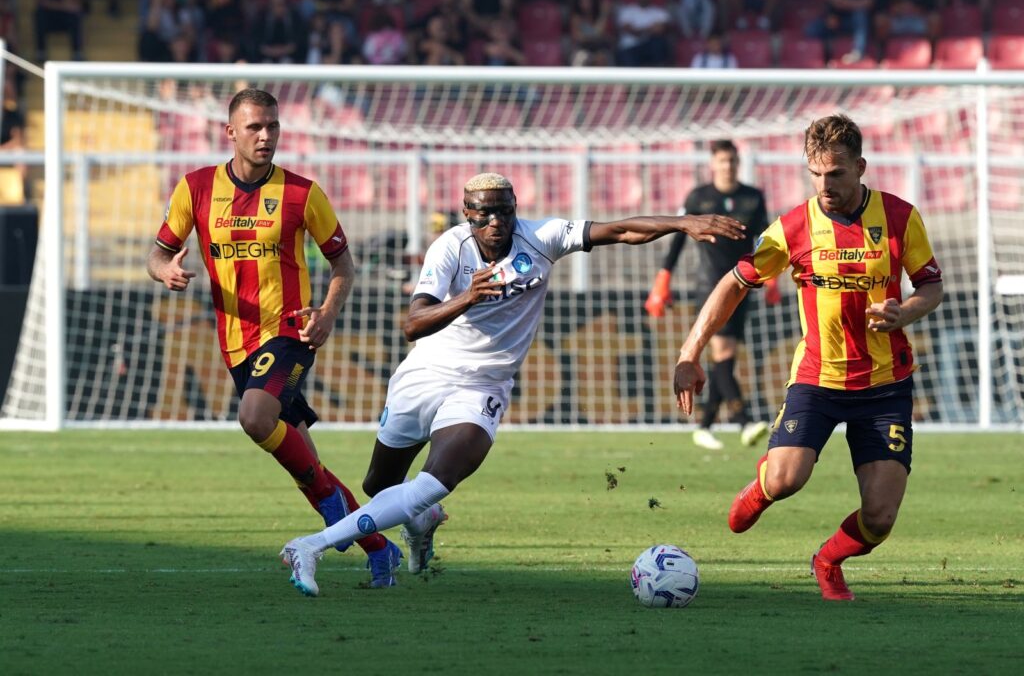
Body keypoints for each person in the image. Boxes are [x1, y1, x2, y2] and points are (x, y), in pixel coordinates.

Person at [279, 172, 746, 597]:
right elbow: (413, 323)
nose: (495, 221)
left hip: (484, 384)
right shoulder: (450, 249)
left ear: (515, 208)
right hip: (423, 376)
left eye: (504, 210)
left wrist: (683, 222)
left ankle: (311, 546)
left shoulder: (541, 237)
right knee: (381, 484)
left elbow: (620, 230)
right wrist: (469, 295)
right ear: (468, 214)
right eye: (484, 213)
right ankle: (421, 526)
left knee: (437, 479)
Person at [673, 115, 944, 601]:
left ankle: (828, 559)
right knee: (785, 481)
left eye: (836, 174)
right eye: (815, 174)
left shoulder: (901, 217)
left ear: (860, 167)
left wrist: (905, 312)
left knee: (880, 519)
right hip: (818, 380)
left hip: (885, 386)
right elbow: (734, 284)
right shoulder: (792, 228)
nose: (825, 185)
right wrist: (690, 352)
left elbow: (931, 285)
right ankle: (763, 487)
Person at [147, 88, 402, 588]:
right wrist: (166, 272)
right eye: (255, 128)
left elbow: (343, 266)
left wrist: (326, 314)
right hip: (236, 345)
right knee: (307, 465)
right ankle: (381, 549)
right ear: (231, 133)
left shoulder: (303, 193)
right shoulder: (195, 188)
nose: (266, 137)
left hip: (290, 332)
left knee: (254, 415)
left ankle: (333, 509)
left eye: (273, 127)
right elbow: (157, 254)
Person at [645, 140, 777, 450]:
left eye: (731, 160)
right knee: (723, 354)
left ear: (737, 162)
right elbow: (678, 240)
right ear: (713, 164)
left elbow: (766, 238)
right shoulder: (699, 197)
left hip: (744, 284)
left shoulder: (752, 197)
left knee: (724, 359)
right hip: (709, 286)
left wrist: (771, 278)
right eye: (722, 161)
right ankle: (743, 422)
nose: (727, 166)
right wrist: (663, 277)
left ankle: (705, 426)